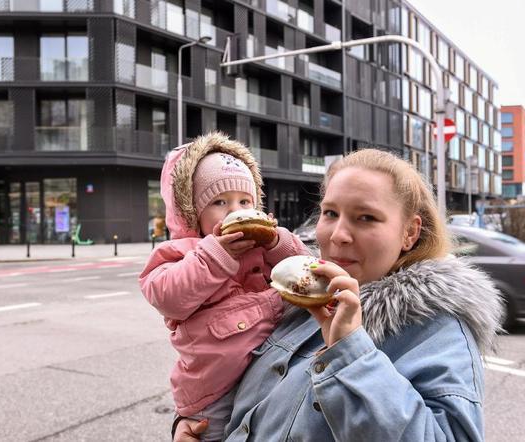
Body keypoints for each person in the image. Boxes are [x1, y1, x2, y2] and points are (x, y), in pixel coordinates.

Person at [174, 148, 503, 441]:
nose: (338, 234)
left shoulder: (438, 331)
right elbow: (236, 384)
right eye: (330, 213)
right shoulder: (300, 300)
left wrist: (352, 352)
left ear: (409, 232)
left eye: (366, 218)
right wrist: (193, 423)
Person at [139, 132, 309, 441]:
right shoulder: (185, 251)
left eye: (244, 201)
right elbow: (167, 296)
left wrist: (276, 241)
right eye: (220, 202)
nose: (235, 211)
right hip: (211, 392)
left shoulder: (264, 248)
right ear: (194, 210)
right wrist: (218, 254)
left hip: (266, 378)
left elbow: (305, 272)